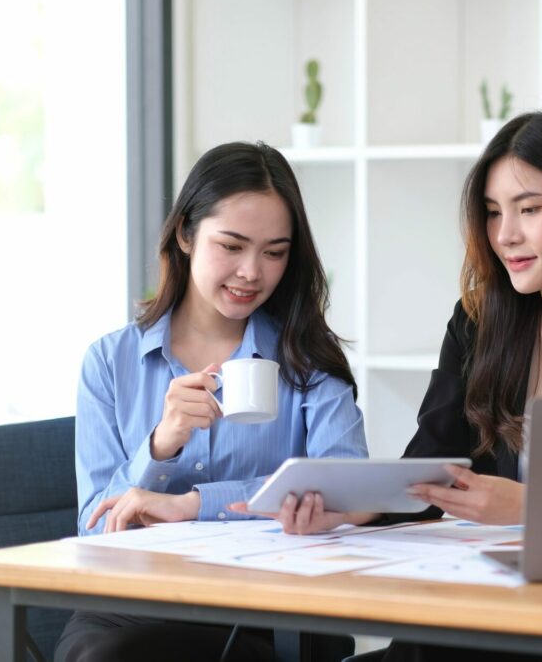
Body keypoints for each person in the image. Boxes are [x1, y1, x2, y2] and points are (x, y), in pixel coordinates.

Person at [234, 108, 542, 661]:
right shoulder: (477, 323)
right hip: (478, 617)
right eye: (492, 213)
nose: (505, 235)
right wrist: (352, 511)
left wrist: (531, 506)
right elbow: (430, 464)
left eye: (529, 209)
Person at [55, 141, 367, 662]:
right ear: (185, 234)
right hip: (132, 604)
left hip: (269, 604)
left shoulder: (307, 358)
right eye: (232, 245)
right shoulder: (110, 362)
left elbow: (347, 486)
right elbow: (95, 524)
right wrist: (160, 445)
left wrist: (195, 505)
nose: (252, 272)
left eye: (274, 252)